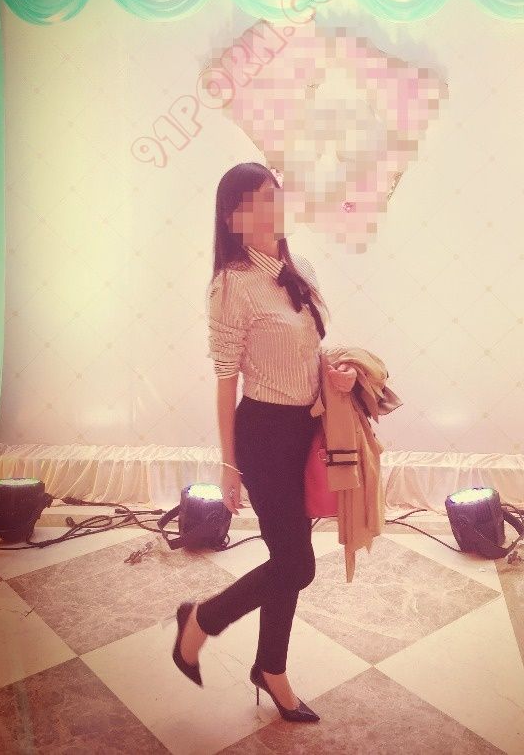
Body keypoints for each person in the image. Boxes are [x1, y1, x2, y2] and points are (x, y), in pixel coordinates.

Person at [171, 162, 356, 723]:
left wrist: (336, 376)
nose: (269, 210)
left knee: (286, 558)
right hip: (263, 434)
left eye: (272, 196)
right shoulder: (231, 285)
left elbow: (309, 350)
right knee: (298, 565)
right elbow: (225, 380)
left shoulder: (302, 267)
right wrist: (229, 466)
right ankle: (200, 621)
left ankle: (270, 668)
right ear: (232, 219)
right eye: (253, 203)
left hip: (305, 430)